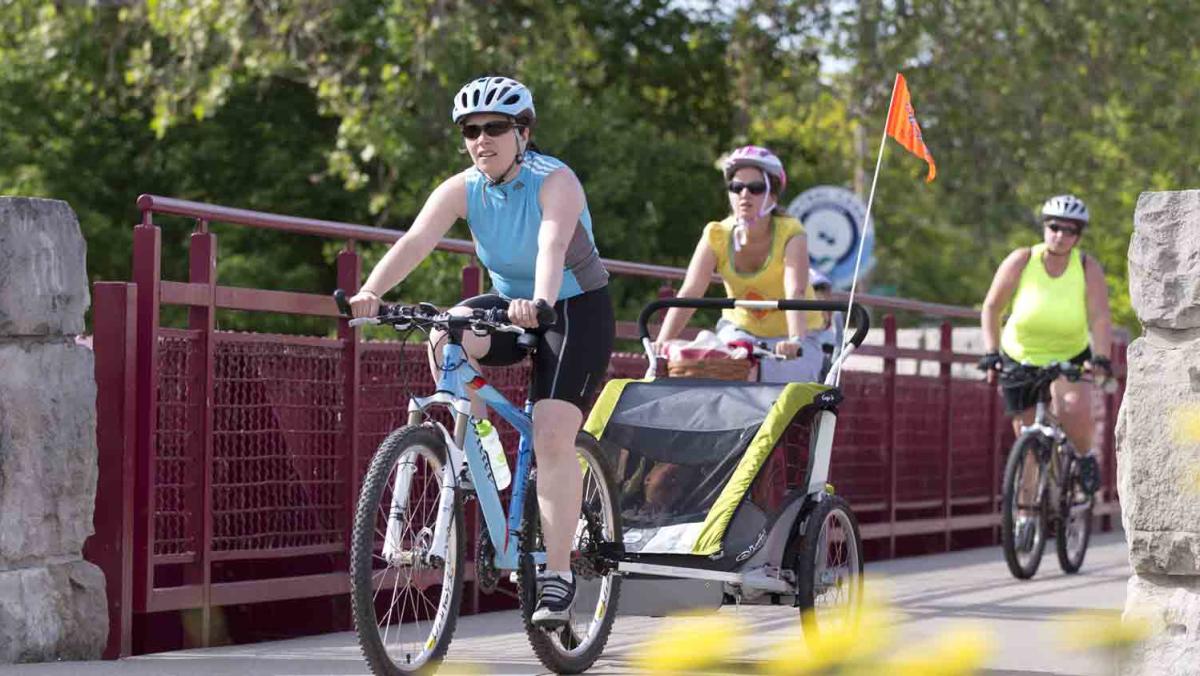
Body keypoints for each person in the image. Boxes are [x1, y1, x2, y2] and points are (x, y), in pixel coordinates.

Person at [348, 75, 613, 627]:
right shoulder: (462, 187)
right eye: (471, 130)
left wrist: (539, 301)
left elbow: (551, 244)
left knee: (550, 434)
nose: (481, 139)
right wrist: (373, 292)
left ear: (524, 132)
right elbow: (416, 240)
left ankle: (558, 575)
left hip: (572, 307)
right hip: (512, 300)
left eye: (495, 128)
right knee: (445, 331)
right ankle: (478, 437)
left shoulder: (554, 179)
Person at [978, 194, 1113, 494]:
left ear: (1078, 236)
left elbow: (1100, 317)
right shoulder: (1022, 260)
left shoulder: (1086, 267)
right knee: (1026, 438)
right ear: (1044, 227)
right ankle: (1026, 516)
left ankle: (1084, 456)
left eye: (1070, 230)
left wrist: (1102, 357)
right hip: (1020, 354)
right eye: (1054, 227)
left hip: (1069, 354)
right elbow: (992, 307)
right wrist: (991, 352)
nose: (1061, 236)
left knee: (1072, 407)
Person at [654, 145, 824, 382]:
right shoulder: (716, 234)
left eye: (755, 188)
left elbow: (794, 290)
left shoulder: (791, 233)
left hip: (794, 339)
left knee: (764, 378)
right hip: (740, 333)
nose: (745, 195)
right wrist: (661, 342)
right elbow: (691, 291)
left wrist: (795, 340)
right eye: (736, 187)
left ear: (772, 195)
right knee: (721, 367)